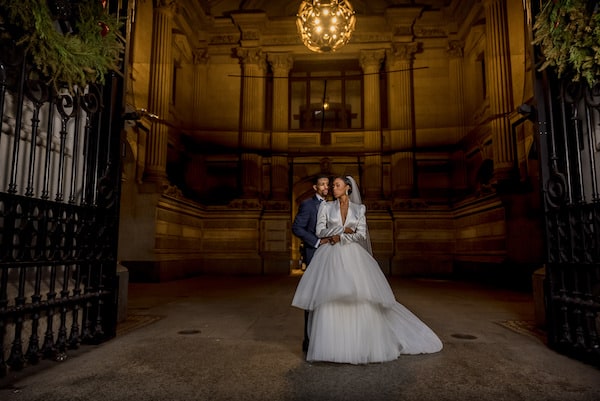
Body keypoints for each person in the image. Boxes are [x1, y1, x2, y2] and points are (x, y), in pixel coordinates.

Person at [292, 175, 443, 364]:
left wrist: (343, 237)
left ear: (347, 188)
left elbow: (361, 234)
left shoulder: (359, 209)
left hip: (353, 255)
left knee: (360, 296)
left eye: (337, 186)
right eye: (332, 186)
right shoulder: (326, 206)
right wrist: (340, 232)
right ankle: (330, 346)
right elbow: (320, 231)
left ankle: (359, 344)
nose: (333, 189)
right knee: (329, 296)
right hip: (329, 254)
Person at [292, 174, 330, 352]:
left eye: (327, 184)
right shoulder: (307, 204)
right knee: (313, 296)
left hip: (331, 255)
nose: (325, 187)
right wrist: (316, 241)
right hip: (314, 253)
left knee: (329, 296)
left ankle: (325, 336)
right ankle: (308, 340)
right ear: (315, 188)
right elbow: (296, 227)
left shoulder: (332, 205)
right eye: (322, 184)